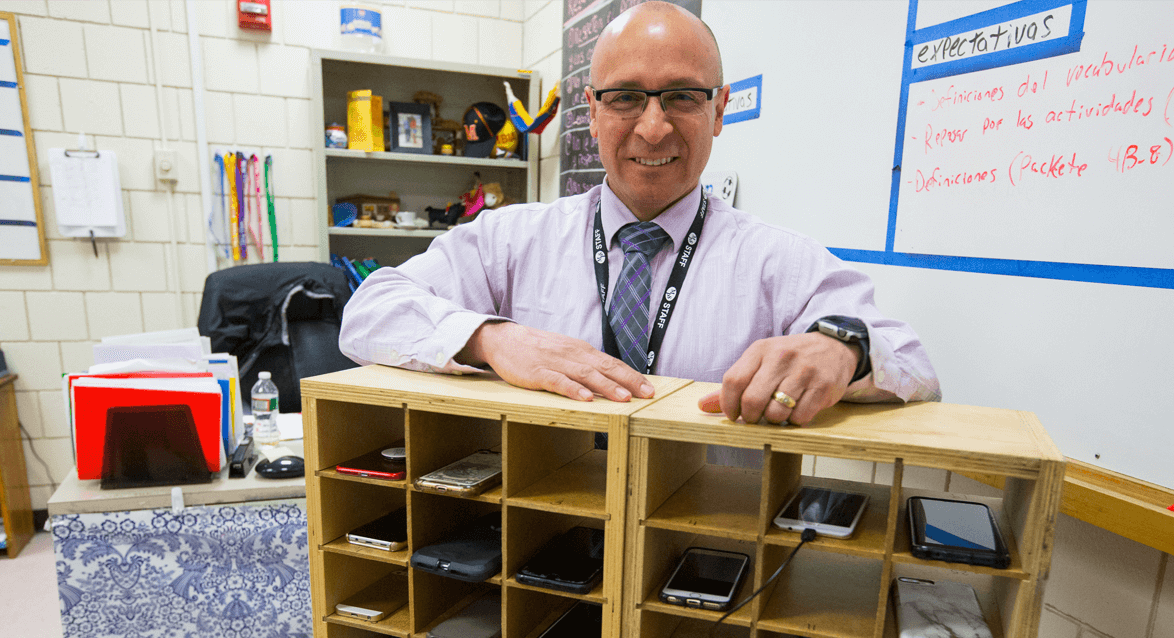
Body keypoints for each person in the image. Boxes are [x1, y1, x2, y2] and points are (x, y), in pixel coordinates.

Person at [339, 1, 939, 426]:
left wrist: (844, 353)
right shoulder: (509, 240)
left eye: (682, 96)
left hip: (698, 553)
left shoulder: (777, 262)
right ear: (593, 113)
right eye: (626, 98)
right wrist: (489, 338)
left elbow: (914, 367)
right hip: (533, 539)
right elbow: (368, 312)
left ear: (720, 110)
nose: (653, 130)